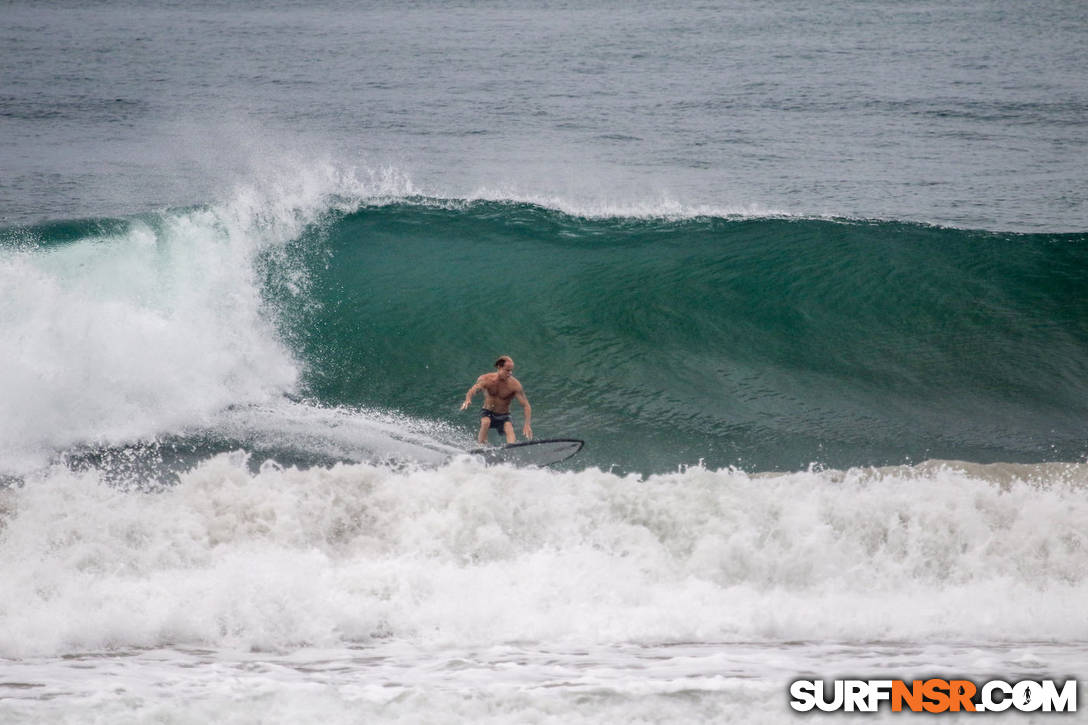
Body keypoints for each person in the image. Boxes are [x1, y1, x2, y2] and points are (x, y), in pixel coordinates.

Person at [460, 355, 532, 444]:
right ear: (499, 367)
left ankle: (511, 448)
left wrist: (527, 424)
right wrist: (468, 399)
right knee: (486, 422)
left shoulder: (514, 385)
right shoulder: (486, 379)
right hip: (487, 412)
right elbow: (474, 389)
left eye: (511, 370)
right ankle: (481, 446)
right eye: (508, 370)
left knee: (508, 427)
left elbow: (526, 405)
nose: (510, 373)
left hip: (504, 415)